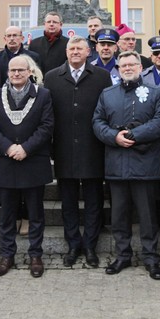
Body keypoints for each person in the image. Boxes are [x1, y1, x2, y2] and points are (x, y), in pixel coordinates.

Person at [93, 51, 160, 281]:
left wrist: (134, 134)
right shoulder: (107, 94)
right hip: (116, 164)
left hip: (144, 164)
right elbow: (97, 122)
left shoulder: (156, 93)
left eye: (132, 64)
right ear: (118, 69)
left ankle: (150, 258)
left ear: (140, 67)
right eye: (123, 65)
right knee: (118, 215)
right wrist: (113, 136)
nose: (127, 68)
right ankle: (123, 255)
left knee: (147, 216)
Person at [43, 36, 112, 268]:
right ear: (66, 52)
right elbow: (47, 115)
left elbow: (107, 110)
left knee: (94, 200)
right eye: (71, 48)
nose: (75, 52)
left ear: (88, 52)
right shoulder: (52, 77)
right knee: (69, 201)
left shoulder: (101, 77)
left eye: (79, 48)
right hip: (63, 148)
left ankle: (91, 245)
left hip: (93, 147)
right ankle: (73, 244)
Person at [0, 55, 54, 278]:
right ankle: (7, 255)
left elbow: (46, 126)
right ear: (7, 73)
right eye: (12, 70)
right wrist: (8, 147)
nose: (16, 74)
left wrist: (25, 148)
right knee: (7, 215)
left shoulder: (43, 95)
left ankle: (35, 255)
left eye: (20, 70)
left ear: (29, 72)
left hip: (33, 161)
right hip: (6, 163)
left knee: (35, 213)